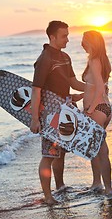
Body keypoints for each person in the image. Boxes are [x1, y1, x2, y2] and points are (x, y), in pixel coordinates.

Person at [30, 21, 84, 205]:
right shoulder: (45, 59)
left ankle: (60, 186)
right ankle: (48, 196)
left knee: (60, 152)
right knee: (49, 154)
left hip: (65, 110)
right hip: (50, 115)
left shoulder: (65, 57)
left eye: (68, 35)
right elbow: (36, 90)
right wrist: (34, 119)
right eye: (64, 36)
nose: (67, 39)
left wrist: (95, 88)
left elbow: (73, 82)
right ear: (52, 37)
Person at [81, 30, 112, 195]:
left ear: (91, 42)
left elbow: (100, 89)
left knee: (101, 151)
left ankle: (108, 189)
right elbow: (97, 86)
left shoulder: (94, 61)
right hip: (105, 109)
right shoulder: (102, 59)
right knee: (95, 147)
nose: (82, 43)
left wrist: (90, 109)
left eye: (84, 40)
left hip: (97, 110)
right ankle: (96, 183)